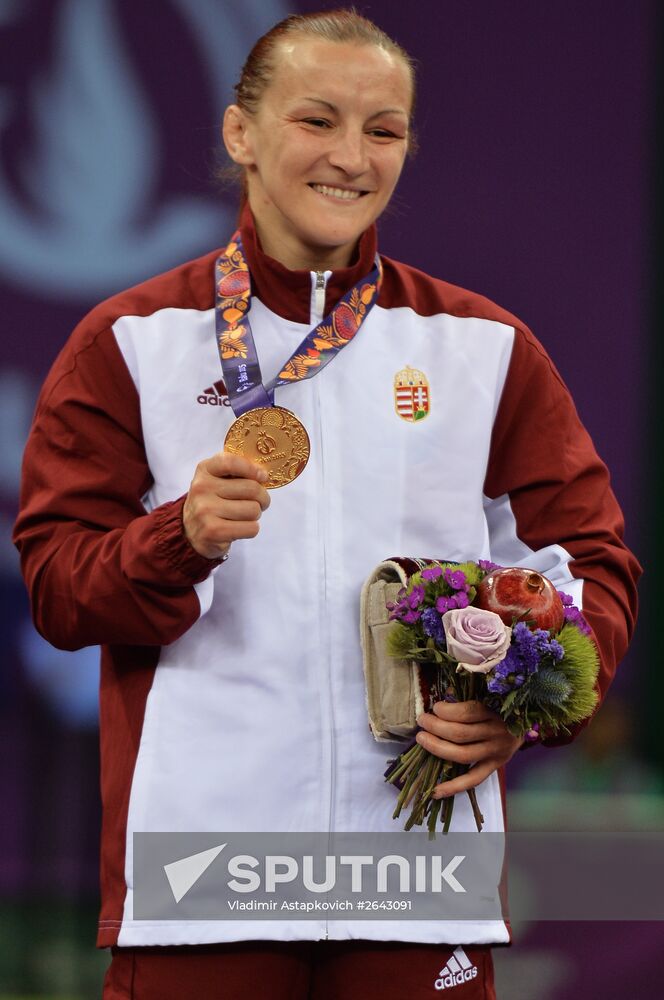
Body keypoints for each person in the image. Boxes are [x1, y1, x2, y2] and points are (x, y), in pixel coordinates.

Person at [13, 9, 640, 1000]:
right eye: (317, 119)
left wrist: (532, 703)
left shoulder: (483, 350)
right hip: (206, 867)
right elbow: (57, 585)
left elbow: (589, 566)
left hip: (419, 869)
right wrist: (172, 542)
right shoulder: (129, 342)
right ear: (240, 134)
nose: (351, 156)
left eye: (383, 129)